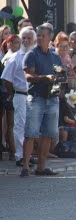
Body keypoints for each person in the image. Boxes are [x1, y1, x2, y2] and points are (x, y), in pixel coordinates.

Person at [21, 24, 64, 177]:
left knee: (48, 134)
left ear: (50, 37)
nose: (39, 38)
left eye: (42, 35)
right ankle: (25, 166)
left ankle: (41, 167)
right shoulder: (31, 54)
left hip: (52, 98)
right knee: (31, 133)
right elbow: (27, 76)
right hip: (37, 97)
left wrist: (58, 84)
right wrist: (44, 78)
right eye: (38, 35)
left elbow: (60, 75)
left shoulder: (55, 56)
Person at [1, 28, 36, 165]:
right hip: (21, 94)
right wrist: (12, 92)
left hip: (33, 95)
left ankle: (28, 154)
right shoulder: (15, 57)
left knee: (31, 126)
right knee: (19, 126)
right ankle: (20, 156)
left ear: (33, 40)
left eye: (29, 38)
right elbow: (5, 78)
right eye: (24, 38)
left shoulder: (34, 56)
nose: (26, 41)